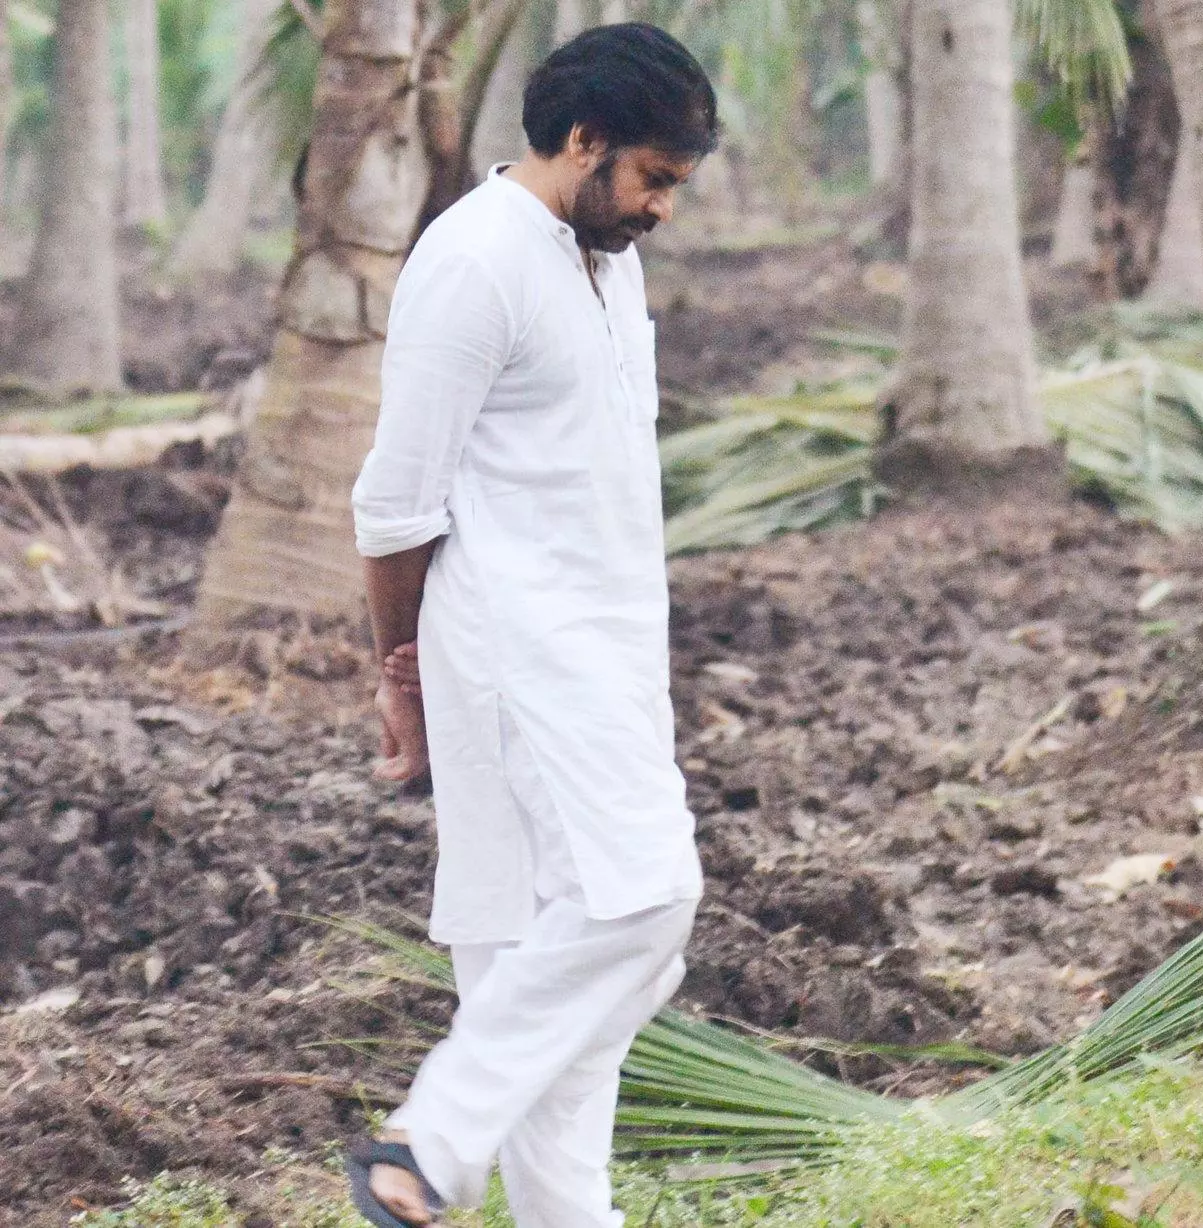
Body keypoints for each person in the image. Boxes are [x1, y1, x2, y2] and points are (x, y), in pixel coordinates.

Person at [343, 24, 717, 1227]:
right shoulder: (473, 260)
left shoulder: (605, 252)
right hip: (511, 646)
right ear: (580, 140)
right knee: (640, 901)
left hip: (606, 644)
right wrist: (404, 677)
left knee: (536, 970)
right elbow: (396, 506)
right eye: (654, 178)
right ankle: (428, 1141)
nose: (661, 207)